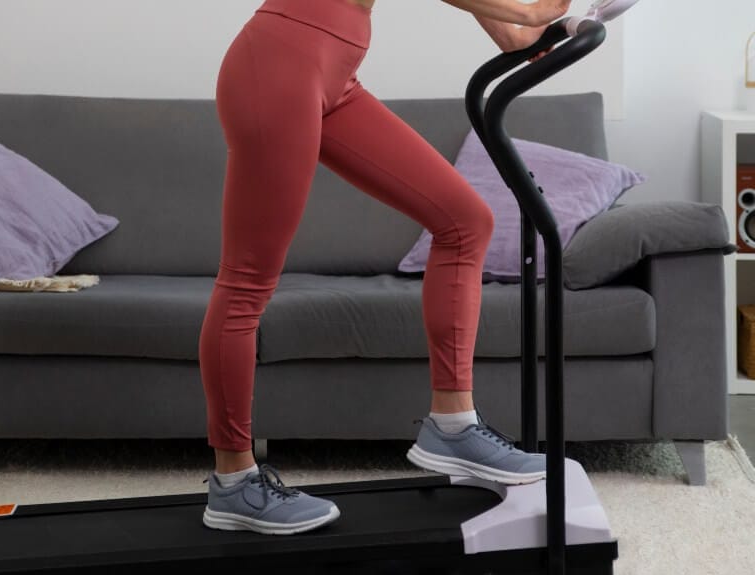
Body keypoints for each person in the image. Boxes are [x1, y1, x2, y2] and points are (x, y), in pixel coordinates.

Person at [200, 0, 573, 535]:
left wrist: (531, 29)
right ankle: (234, 481)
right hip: (278, 67)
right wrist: (528, 10)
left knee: (465, 220)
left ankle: (453, 423)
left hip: (334, 75)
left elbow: (513, 35)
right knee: (246, 282)